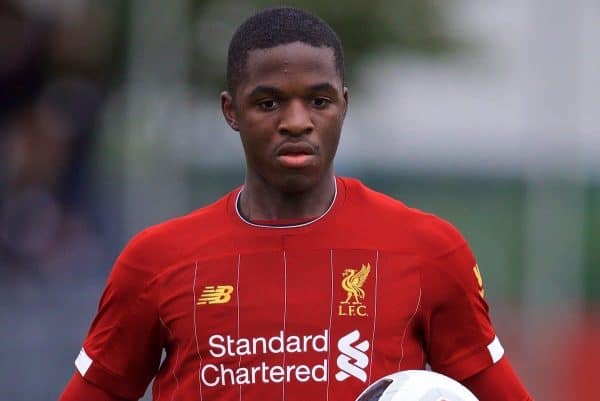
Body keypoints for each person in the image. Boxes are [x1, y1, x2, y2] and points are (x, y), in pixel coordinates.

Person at [59, 6, 533, 401]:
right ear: (231, 111)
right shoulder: (156, 261)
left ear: (344, 105)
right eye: (268, 103)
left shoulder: (428, 249)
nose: (296, 121)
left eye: (319, 101)